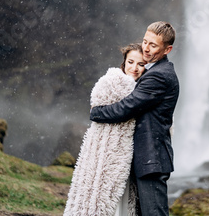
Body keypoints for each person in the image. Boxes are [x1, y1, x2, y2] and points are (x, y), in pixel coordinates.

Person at [90, 21, 179, 216]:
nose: (146, 49)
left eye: (153, 45)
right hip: (146, 158)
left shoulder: (159, 76)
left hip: (151, 159)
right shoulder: (154, 71)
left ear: (167, 49)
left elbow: (127, 107)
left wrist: (97, 113)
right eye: (145, 41)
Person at [64, 44, 146, 216]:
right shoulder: (109, 82)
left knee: (123, 201)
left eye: (141, 64)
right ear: (124, 62)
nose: (135, 68)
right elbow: (96, 111)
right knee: (99, 199)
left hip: (131, 157)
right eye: (131, 62)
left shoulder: (146, 89)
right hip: (105, 154)